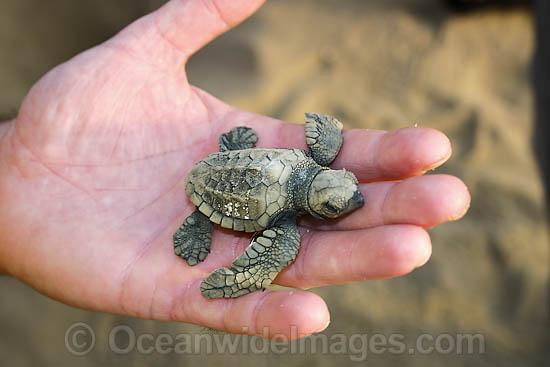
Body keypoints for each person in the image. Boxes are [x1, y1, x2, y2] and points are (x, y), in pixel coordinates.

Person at [0, 0, 469, 340]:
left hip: (232, 157)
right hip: (217, 190)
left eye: (346, 190)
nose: (355, 195)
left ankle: (228, 160)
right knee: (266, 250)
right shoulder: (289, 223)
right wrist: (237, 276)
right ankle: (198, 226)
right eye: (345, 195)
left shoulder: (314, 161)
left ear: (326, 175)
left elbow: (325, 133)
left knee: (264, 177)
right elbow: (269, 247)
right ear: (315, 203)